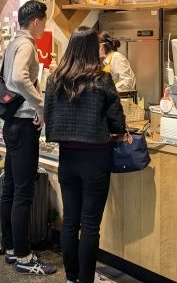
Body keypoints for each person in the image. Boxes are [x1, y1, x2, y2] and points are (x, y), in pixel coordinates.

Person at [44, 27, 127, 283]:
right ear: (93, 49)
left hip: (67, 157)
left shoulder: (55, 79)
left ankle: (71, 277)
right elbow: (116, 119)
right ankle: (86, 279)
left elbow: (49, 116)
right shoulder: (101, 79)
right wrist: (118, 131)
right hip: (96, 158)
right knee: (90, 225)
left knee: (70, 221)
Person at [0, 0, 57, 276]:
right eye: (44, 22)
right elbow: (20, 77)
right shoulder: (26, 45)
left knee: (11, 188)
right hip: (23, 126)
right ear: (36, 21)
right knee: (23, 193)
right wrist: (41, 106)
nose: (44, 26)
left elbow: (11, 78)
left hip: (12, 124)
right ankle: (24, 256)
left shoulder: (13, 43)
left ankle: (11, 246)